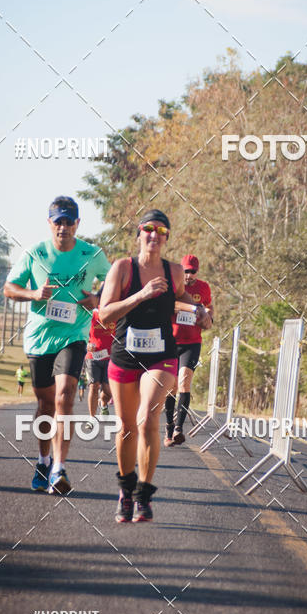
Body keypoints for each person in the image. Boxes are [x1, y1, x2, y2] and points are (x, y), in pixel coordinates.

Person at [99, 210, 205, 523]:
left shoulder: (173, 271)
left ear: (167, 237)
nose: (154, 235)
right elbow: (105, 315)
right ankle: (126, 489)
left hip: (161, 356)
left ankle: (144, 494)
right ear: (139, 234)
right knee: (127, 427)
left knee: (148, 419)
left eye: (161, 230)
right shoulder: (122, 268)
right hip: (124, 356)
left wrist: (200, 311)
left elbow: (182, 299)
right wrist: (141, 295)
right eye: (148, 229)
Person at [4, 196, 110, 494]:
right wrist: (34, 294)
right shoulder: (35, 253)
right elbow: (9, 289)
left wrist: (98, 299)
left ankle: (59, 469)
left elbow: (115, 284)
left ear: (78, 224)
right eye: (58, 221)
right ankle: (43, 460)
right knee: (45, 405)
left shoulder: (92, 254)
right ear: (49, 223)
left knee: (65, 396)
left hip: (74, 336)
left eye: (69, 221)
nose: (63, 227)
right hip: (39, 338)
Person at [164, 254, 213, 447]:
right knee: (171, 386)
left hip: (192, 342)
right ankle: (168, 428)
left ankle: (178, 429)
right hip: (171, 341)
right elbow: (168, 305)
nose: (189, 275)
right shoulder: (174, 286)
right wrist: (193, 309)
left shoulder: (203, 287)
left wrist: (207, 318)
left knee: (184, 381)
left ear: (197, 272)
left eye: (192, 272)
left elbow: (209, 309)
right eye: (186, 271)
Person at [85, 299, 115, 417]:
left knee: (108, 391)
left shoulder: (115, 314)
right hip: (93, 356)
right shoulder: (91, 315)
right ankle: (92, 417)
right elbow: (82, 330)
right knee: (93, 386)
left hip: (110, 357)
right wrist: (86, 343)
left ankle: (103, 403)